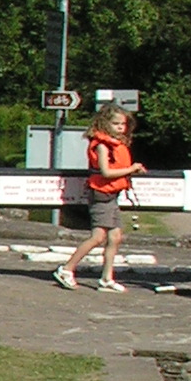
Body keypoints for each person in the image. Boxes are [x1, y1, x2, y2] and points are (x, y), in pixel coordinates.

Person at [53, 107, 141, 290]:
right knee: (98, 236)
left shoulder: (117, 143)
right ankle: (67, 268)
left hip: (112, 196)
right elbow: (106, 172)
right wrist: (132, 169)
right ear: (104, 123)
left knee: (115, 236)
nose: (120, 128)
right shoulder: (102, 145)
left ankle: (107, 278)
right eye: (115, 124)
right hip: (102, 194)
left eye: (123, 124)